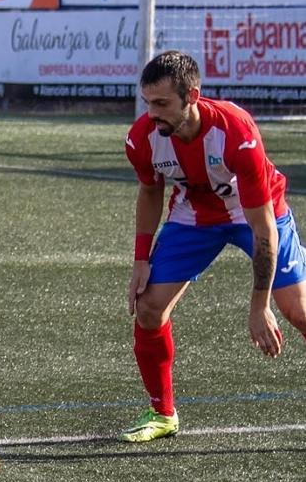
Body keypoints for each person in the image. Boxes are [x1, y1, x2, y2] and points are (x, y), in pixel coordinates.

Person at [122, 50, 306, 442]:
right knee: (149, 306)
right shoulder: (142, 138)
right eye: (148, 103)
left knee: (298, 311)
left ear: (193, 95)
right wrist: (141, 258)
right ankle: (162, 412)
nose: (152, 114)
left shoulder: (236, 133)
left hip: (255, 213)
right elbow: (150, 192)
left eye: (162, 104)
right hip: (194, 215)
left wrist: (259, 307)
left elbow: (263, 229)